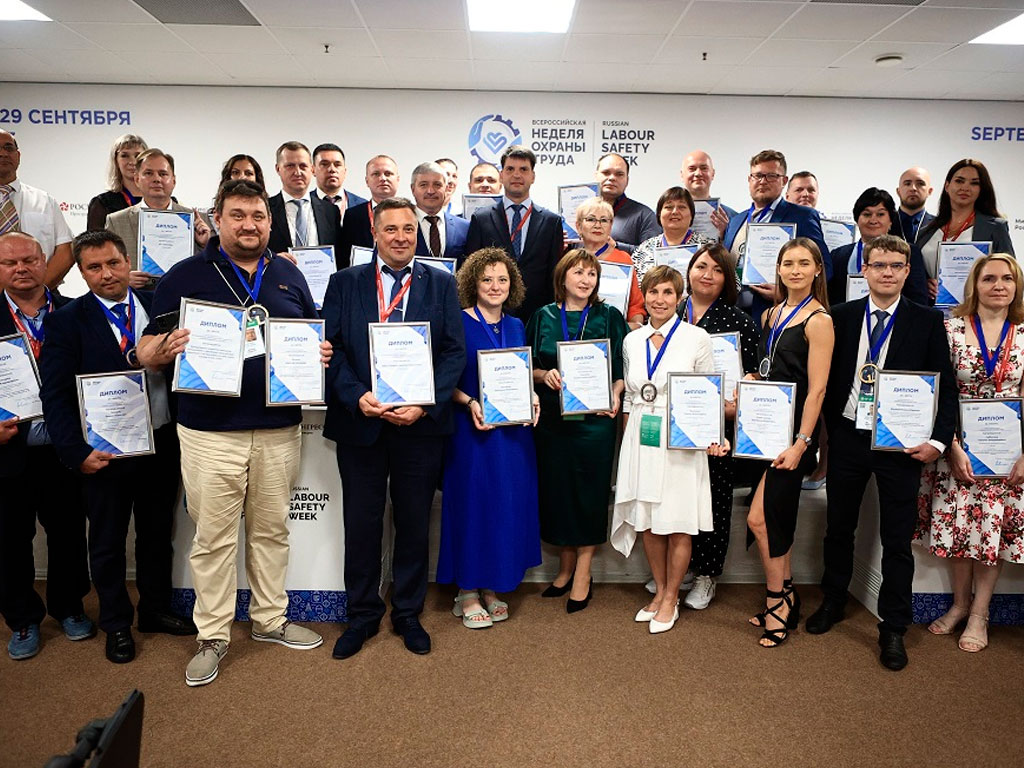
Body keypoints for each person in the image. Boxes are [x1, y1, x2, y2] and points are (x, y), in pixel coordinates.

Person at [136, 179, 329, 686]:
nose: (249, 225)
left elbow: (310, 334)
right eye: (238, 215)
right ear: (217, 220)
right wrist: (161, 350)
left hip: (278, 428)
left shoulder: (287, 274)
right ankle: (213, 635)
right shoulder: (184, 275)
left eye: (258, 216)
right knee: (214, 539)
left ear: (270, 222)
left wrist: (318, 353)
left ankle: (269, 619)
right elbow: (145, 350)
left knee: (271, 531)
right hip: (209, 431)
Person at [39, 230, 197, 665]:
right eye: (94, 267)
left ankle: (154, 609)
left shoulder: (159, 308)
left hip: (161, 442)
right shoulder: (66, 321)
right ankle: (116, 623)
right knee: (107, 541)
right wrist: (74, 452)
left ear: (128, 262)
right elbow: (55, 394)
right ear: (81, 273)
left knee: (156, 534)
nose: (107, 274)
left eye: (113, 263)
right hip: (104, 451)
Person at [805, 234, 958, 672]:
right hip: (849, 437)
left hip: (900, 446)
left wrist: (937, 441)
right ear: (865, 270)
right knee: (839, 527)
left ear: (907, 271)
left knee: (897, 540)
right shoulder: (841, 316)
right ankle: (833, 599)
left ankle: (893, 626)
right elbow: (823, 381)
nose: (887, 272)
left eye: (895, 265)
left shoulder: (927, 321)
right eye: (879, 265)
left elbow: (946, 388)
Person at [322, 197, 465, 659]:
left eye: (408, 229)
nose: (401, 237)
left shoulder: (441, 284)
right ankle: (362, 615)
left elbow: (454, 352)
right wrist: (355, 396)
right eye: (391, 229)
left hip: (417, 427)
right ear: (375, 234)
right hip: (361, 422)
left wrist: (424, 404)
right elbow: (331, 348)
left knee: (413, 522)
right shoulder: (344, 282)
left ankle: (407, 612)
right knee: (361, 523)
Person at [611, 265, 729, 633]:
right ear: (644, 296)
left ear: (679, 298)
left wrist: (714, 436)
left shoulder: (696, 338)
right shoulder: (632, 340)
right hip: (642, 436)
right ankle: (661, 590)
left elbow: (709, 394)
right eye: (653, 292)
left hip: (681, 439)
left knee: (678, 523)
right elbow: (630, 397)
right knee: (648, 520)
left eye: (667, 293)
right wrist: (628, 444)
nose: (659, 299)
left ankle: (672, 596)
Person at [916, 253, 1024, 653]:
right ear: (974, 285)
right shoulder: (949, 329)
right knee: (958, 528)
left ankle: (980, 613)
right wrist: (952, 446)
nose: (999, 285)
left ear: (1017, 285)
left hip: (1007, 454)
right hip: (959, 447)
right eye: (989, 278)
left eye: (1007, 278)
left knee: (991, 532)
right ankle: (960, 605)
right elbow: (939, 392)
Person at [0, 232, 92, 661]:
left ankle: (69, 606)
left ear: (45, 261)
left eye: (29, 259)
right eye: (10, 262)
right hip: (8, 451)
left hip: (64, 448)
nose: (21, 268)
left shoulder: (76, 311)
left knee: (69, 533)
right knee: (10, 540)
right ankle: (22, 618)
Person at [437, 248, 541, 628]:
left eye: (502, 279)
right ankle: (466, 590)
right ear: (472, 283)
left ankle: (492, 586)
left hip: (513, 438)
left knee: (503, 508)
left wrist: (531, 396)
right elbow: (441, 379)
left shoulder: (516, 325)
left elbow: (520, 373)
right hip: (472, 433)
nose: (495, 286)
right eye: (486, 279)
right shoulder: (457, 321)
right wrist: (468, 402)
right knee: (472, 507)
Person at [527, 249, 628, 613]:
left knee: (590, 493)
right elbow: (527, 365)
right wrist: (544, 375)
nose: (586, 280)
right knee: (559, 492)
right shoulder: (543, 315)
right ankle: (565, 567)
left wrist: (616, 393)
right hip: (553, 422)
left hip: (595, 422)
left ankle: (583, 571)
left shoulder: (609, 316)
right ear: (563, 277)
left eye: (591, 274)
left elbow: (622, 370)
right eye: (578, 272)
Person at [746, 238, 833, 647]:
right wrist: (753, 380)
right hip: (763, 432)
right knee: (772, 519)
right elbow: (771, 371)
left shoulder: (819, 320)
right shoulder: (770, 314)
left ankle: (777, 601)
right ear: (778, 269)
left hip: (793, 437)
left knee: (761, 520)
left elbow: (817, 391)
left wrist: (802, 443)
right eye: (788, 263)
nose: (795, 270)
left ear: (817, 269)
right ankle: (787, 594)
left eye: (803, 263)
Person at [679, 244, 761, 610]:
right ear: (689, 271)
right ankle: (682, 565)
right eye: (701, 266)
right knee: (681, 496)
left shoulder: (739, 321)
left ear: (727, 278)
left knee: (714, 500)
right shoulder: (672, 312)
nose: (707, 274)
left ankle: (707, 574)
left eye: (716, 269)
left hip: (719, 427)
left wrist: (738, 400)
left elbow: (755, 374)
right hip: (678, 425)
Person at [723, 149, 832, 322]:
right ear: (749, 179)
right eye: (758, 176)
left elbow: (824, 267)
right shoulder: (736, 221)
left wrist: (788, 291)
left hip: (777, 313)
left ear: (784, 181)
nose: (763, 181)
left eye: (771, 176)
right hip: (733, 314)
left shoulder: (802, 216)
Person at [464, 145, 564, 322]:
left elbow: (555, 274)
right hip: (491, 313)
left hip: (538, 315)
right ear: (501, 175)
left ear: (533, 176)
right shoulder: (481, 219)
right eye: (510, 169)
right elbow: (471, 271)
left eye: (523, 169)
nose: (517, 175)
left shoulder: (551, 221)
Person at [104, 148, 205, 290]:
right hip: (136, 297)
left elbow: (212, 270)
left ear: (173, 181)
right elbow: (104, 265)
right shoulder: (116, 221)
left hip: (183, 295)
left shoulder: (197, 220)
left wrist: (205, 245)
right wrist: (123, 279)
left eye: (163, 174)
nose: (156, 179)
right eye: (148, 173)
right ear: (137, 179)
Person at [917, 159, 1016, 303]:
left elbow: (1010, 274)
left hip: (976, 308)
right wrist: (924, 283)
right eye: (959, 181)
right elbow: (915, 273)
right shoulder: (926, 231)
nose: (965, 188)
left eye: (974, 183)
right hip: (929, 309)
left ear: (981, 190)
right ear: (947, 186)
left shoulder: (995, 227)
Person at [827, 187, 929, 306]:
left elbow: (918, 300)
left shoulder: (909, 252)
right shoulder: (837, 255)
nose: (873, 220)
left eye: (880, 214)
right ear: (857, 219)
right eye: (867, 214)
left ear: (891, 221)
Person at [0, 130, 74, 288]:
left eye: (8, 148)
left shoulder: (44, 200)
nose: (3, 153)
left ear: (18, 156)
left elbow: (66, 250)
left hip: (43, 294)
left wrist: (36, 291)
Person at [573, 196, 644, 328]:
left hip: (616, 329)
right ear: (579, 226)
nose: (598, 225)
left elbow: (635, 305)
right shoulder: (570, 261)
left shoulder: (623, 259)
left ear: (611, 226)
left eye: (604, 220)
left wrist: (635, 327)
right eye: (591, 219)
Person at [267, 141, 343, 260]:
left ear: (312, 169)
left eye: (303, 166)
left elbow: (339, 255)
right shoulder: (266, 208)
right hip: (279, 271)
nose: (298, 172)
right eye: (290, 166)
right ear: (278, 169)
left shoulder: (330, 211)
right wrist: (272, 259)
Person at [632, 186, 713, 284]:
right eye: (669, 207)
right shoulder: (644, 249)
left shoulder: (708, 247)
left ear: (691, 215)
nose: (675, 212)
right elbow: (633, 287)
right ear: (659, 214)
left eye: (682, 207)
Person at [594, 153, 660, 255]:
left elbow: (652, 255)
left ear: (627, 180)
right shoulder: (576, 211)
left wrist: (616, 246)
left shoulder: (644, 216)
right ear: (596, 176)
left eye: (619, 174)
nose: (612, 178)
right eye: (606, 173)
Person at [338, 155, 401, 260]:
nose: (383, 178)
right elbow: (344, 255)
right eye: (376, 174)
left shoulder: (409, 213)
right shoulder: (353, 215)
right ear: (367, 181)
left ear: (398, 179)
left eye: (388, 174)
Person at [86, 134, 148, 231]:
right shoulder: (103, 203)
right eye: (125, 156)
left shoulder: (162, 201)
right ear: (116, 161)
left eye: (137, 156)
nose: (132, 161)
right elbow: (95, 240)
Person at [410, 161, 469, 261]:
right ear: (413, 189)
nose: (430, 191)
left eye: (437, 185)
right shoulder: (400, 225)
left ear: (446, 189)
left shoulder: (464, 227)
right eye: (423, 185)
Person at [679, 149, 736, 235]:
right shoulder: (665, 216)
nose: (698, 173)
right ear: (682, 175)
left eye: (704, 168)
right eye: (692, 169)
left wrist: (727, 234)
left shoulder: (733, 218)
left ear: (712, 174)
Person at [310, 143, 367, 212]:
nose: (332, 169)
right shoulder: (302, 204)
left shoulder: (363, 206)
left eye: (337, 165)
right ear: (313, 170)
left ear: (345, 171)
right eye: (324, 164)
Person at [895, 166, 934, 244]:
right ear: (898, 191)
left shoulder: (939, 225)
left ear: (929, 191)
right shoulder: (884, 223)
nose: (913, 188)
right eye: (907, 184)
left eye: (920, 184)